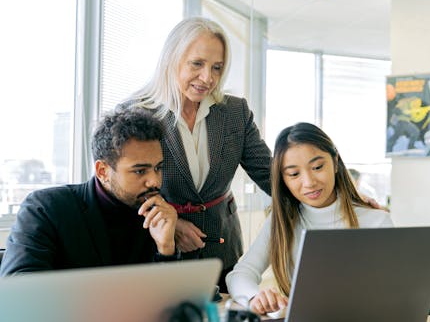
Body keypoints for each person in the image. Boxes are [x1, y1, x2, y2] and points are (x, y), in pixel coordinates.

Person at [119, 17, 273, 292]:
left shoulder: (234, 112)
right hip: (157, 250)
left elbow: (270, 173)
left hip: (222, 250)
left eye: (217, 67)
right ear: (172, 59)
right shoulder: (134, 113)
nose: (208, 78)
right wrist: (173, 222)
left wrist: (345, 198)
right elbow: (121, 190)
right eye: (197, 64)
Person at [226, 122, 393, 315]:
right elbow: (239, 275)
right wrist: (255, 297)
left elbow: (398, 290)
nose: (309, 182)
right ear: (283, 179)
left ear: (336, 162)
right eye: (294, 174)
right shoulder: (281, 222)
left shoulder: (377, 221)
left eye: (317, 167)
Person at [0, 109, 179, 276]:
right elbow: (19, 286)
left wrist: (166, 249)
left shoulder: (157, 216)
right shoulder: (46, 209)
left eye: (158, 168)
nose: (154, 181)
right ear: (102, 171)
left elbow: (173, 300)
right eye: (140, 171)